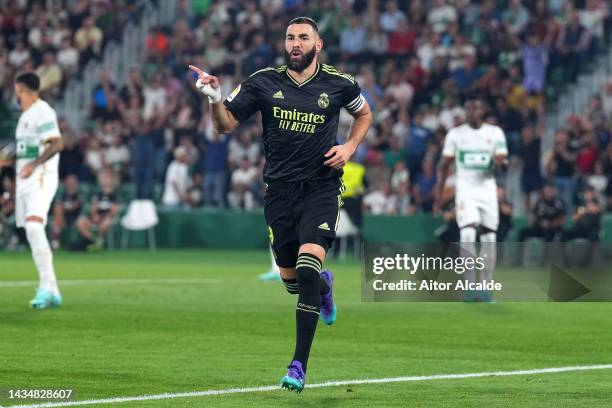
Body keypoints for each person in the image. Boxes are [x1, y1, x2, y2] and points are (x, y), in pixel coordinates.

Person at [189, 16, 372, 393]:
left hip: (321, 188)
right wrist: (213, 99)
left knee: (305, 268)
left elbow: (364, 114)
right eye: (290, 37)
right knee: (294, 283)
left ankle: (298, 365)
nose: (295, 43)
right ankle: (324, 288)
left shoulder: (340, 84)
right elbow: (224, 125)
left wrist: (350, 147)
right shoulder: (262, 81)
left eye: (304, 37)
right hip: (279, 193)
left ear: (317, 45)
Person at [0, 72, 64, 309]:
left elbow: (57, 143)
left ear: (20, 89)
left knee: (35, 226)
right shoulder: (25, 116)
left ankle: (46, 288)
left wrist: (34, 165)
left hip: (41, 176)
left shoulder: (42, 111)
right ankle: (53, 289)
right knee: (30, 229)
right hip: (26, 179)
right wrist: (7, 160)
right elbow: (27, 150)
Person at [435, 98, 508, 302]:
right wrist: (439, 193)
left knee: (489, 239)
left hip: (487, 191)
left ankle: (486, 287)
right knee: (467, 234)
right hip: (466, 190)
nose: (472, 111)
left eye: (475, 107)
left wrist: (500, 163)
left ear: (483, 109)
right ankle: (469, 287)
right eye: (468, 108)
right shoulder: (455, 134)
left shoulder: (495, 133)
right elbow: (445, 165)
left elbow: (503, 164)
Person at [75, 170, 119, 251]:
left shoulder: (115, 192)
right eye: (103, 178)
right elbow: (93, 206)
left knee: (106, 222)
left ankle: (99, 241)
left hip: (108, 217)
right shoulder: (96, 192)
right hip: (95, 217)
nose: (105, 180)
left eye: (107, 178)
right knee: (80, 222)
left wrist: (107, 216)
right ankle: (94, 240)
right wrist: (95, 215)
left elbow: (115, 209)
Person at [51, 174, 83, 249]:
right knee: (57, 216)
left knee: (57, 218)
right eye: (69, 182)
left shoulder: (79, 194)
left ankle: (55, 242)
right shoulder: (62, 194)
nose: (71, 184)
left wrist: (66, 206)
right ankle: (56, 242)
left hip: (76, 217)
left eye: (73, 182)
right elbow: (57, 205)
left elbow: (75, 206)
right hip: (64, 217)